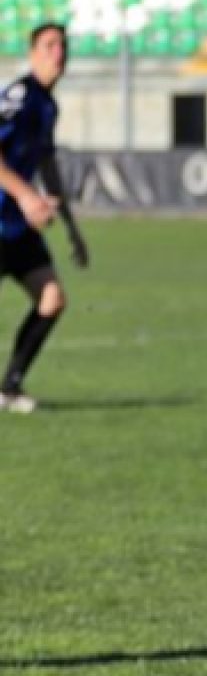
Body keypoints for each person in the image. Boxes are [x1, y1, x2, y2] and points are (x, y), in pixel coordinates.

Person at [0, 22, 88, 413]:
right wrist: (25, 196)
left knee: (51, 298)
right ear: (33, 52)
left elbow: (47, 164)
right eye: (50, 45)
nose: (59, 52)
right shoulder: (19, 96)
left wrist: (72, 228)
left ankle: (10, 388)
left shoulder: (49, 105)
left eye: (63, 45)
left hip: (17, 227)